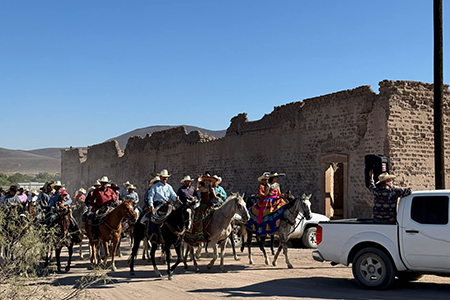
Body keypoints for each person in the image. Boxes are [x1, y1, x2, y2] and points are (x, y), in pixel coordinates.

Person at [246, 171, 288, 236]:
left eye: (277, 177)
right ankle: (264, 227)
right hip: (269, 201)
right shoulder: (268, 185)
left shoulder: (277, 185)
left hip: (276, 199)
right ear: (273, 178)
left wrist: (282, 195)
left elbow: (279, 193)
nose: (277, 178)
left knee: (284, 207)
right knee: (266, 213)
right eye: (275, 177)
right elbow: (266, 194)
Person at [89, 176, 118, 240]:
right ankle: (95, 234)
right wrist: (94, 206)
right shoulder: (96, 191)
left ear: (107, 184)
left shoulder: (111, 191)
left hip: (109, 207)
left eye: (105, 183)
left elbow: (115, 199)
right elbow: (91, 200)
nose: (104, 184)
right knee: (94, 218)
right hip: (100, 207)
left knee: (117, 216)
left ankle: (120, 232)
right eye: (102, 183)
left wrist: (114, 199)